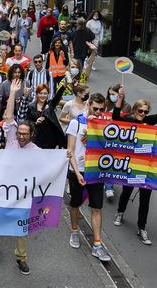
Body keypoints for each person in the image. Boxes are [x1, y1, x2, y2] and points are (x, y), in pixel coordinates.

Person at [112, 82, 157, 246]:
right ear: (134, 110)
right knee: (126, 191)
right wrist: (120, 98)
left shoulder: (149, 121)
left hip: (146, 167)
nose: (143, 114)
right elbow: (115, 117)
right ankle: (120, 212)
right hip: (130, 165)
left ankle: (142, 228)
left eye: (145, 111)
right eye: (140, 111)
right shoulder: (128, 121)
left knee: (145, 198)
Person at [0, 79, 39, 275]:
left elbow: (51, 163)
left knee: (22, 227)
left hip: (22, 194)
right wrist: (13, 95)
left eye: (26, 134)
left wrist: (65, 156)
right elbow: (9, 116)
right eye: (20, 133)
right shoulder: (11, 139)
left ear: (32, 135)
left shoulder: (36, 150)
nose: (22, 136)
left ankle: (21, 258)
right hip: (2, 189)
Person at [66, 93, 111, 262]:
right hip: (78, 170)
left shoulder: (104, 126)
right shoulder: (75, 123)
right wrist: (77, 173)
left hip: (96, 171)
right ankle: (74, 230)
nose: (98, 112)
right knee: (76, 203)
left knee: (97, 207)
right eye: (95, 108)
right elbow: (69, 151)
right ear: (88, 105)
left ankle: (97, 244)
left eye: (101, 109)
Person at [18, 82, 67, 149]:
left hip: (50, 139)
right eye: (40, 93)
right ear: (37, 94)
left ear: (47, 95)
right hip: (36, 139)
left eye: (45, 93)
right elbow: (27, 122)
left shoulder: (50, 105)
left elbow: (57, 96)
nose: (42, 95)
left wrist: (64, 86)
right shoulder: (31, 106)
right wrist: (35, 123)